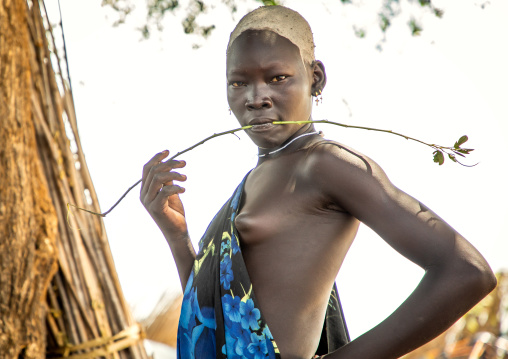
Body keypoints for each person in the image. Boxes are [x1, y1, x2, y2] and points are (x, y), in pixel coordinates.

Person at [140, 5, 497, 359]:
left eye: (277, 78)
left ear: (316, 78)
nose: (255, 98)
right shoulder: (255, 179)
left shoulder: (324, 165)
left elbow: (466, 272)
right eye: (239, 82)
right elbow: (212, 318)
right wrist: (177, 235)